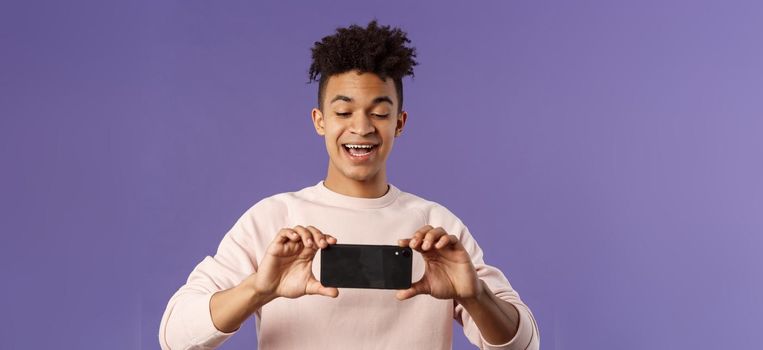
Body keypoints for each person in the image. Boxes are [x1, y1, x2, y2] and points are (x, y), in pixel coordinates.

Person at [159, 20, 540, 350]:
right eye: (343, 112)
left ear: (400, 123)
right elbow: (176, 335)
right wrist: (258, 289)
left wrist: (474, 296)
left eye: (379, 113)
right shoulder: (274, 219)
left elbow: (525, 343)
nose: (361, 128)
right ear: (319, 120)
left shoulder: (436, 227)